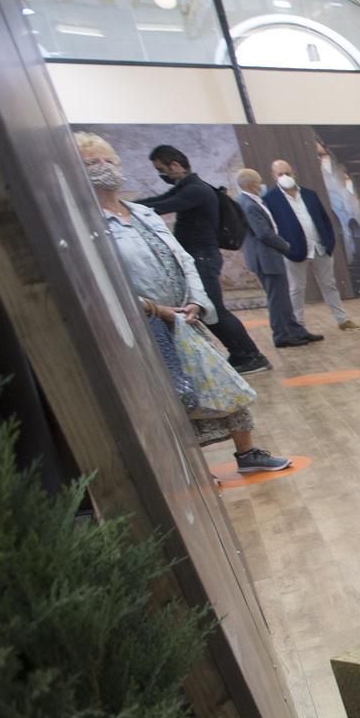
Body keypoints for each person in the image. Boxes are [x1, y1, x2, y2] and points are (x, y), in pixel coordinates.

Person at [76, 134, 291, 475]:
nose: (104, 169)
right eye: (92, 163)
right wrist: (151, 308)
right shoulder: (84, 223)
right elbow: (101, 280)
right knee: (170, 397)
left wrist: (196, 302)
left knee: (221, 381)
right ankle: (188, 471)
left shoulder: (143, 213)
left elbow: (182, 259)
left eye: (109, 161)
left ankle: (247, 453)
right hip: (142, 323)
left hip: (182, 317)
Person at [141, 145, 270, 375]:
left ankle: (251, 356)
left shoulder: (196, 190)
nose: (162, 175)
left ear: (176, 165)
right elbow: (159, 200)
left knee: (213, 310)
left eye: (162, 169)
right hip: (199, 255)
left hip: (203, 256)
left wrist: (120, 207)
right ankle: (243, 354)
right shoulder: (188, 186)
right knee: (211, 309)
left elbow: (160, 206)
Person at [264, 159, 359, 335]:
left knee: (329, 285)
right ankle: (297, 325)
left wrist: (329, 241)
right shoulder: (270, 199)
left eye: (287, 172)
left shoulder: (309, 194)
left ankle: (342, 320)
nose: (285, 176)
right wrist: (284, 248)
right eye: (280, 174)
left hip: (320, 247)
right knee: (296, 289)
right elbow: (270, 228)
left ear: (294, 173)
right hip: (294, 251)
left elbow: (325, 219)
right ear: (273, 176)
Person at [233, 168, 316, 349]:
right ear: (252, 184)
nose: (262, 184)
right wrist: (285, 245)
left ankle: (296, 330)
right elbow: (263, 233)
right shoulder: (248, 204)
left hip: (269, 255)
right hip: (265, 257)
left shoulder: (252, 201)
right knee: (277, 298)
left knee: (282, 297)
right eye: (259, 181)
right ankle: (282, 335)